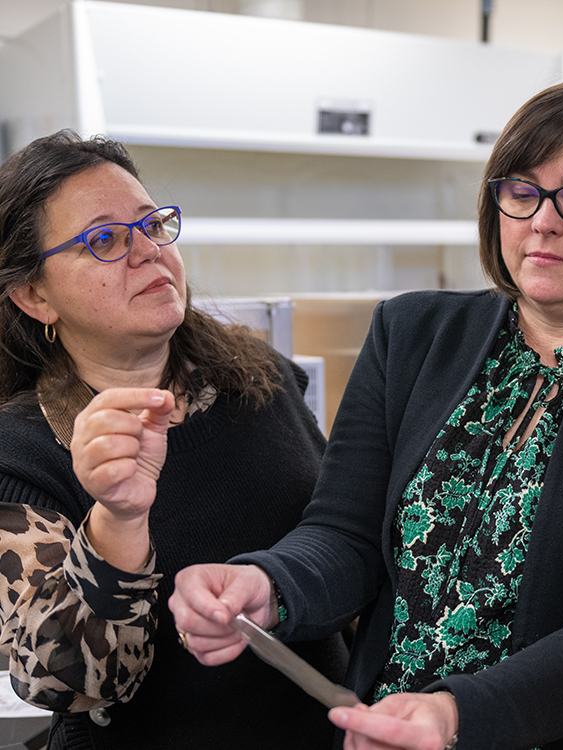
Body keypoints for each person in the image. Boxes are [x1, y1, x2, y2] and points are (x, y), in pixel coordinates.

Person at [169, 76, 563, 750]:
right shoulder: (411, 334)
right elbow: (345, 534)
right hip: (386, 730)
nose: (543, 220)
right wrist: (265, 584)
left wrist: (454, 715)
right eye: (522, 191)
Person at [0, 130, 347, 750]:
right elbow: (68, 681)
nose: (147, 252)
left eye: (152, 224)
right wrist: (120, 514)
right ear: (35, 296)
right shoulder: (19, 451)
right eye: (104, 239)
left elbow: (346, 544)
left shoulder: (261, 379)